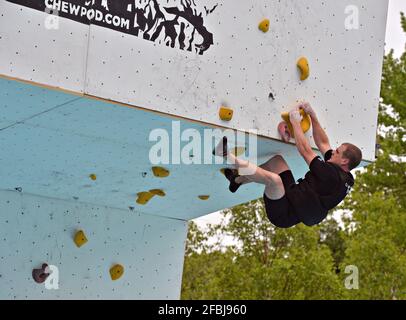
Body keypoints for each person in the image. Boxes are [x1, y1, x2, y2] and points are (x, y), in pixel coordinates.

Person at [214, 102, 362, 228]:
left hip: (284, 213)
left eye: (338, 151)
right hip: (293, 194)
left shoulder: (331, 176)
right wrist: (312, 115)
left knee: (275, 180)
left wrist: (295, 122)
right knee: (276, 161)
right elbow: (323, 143)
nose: (333, 151)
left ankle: (226, 154)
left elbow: (305, 151)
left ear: (344, 161)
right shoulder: (342, 172)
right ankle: (237, 180)